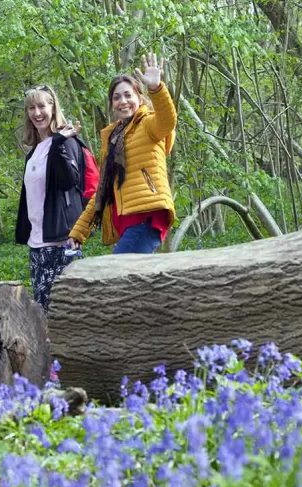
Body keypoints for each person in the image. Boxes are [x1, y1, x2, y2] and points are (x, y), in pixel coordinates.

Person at [68, 53, 177, 254]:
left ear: (140, 98)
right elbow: (103, 189)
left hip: (147, 216)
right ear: (112, 104)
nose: (123, 101)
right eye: (116, 97)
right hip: (126, 222)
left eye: (128, 95)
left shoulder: (148, 124)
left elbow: (168, 121)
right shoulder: (113, 138)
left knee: (117, 269)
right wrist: (79, 232)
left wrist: (156, 88)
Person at [15, 84, 86, 311]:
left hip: (61, 243)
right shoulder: (33, 153)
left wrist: (57, 144)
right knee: (42, 310)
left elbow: (70, 181)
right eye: (31, 108)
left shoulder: (67, 141)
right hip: (37, 243)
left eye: (42, 106)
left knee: (64, 311)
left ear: (53, 107)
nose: (37, 113)